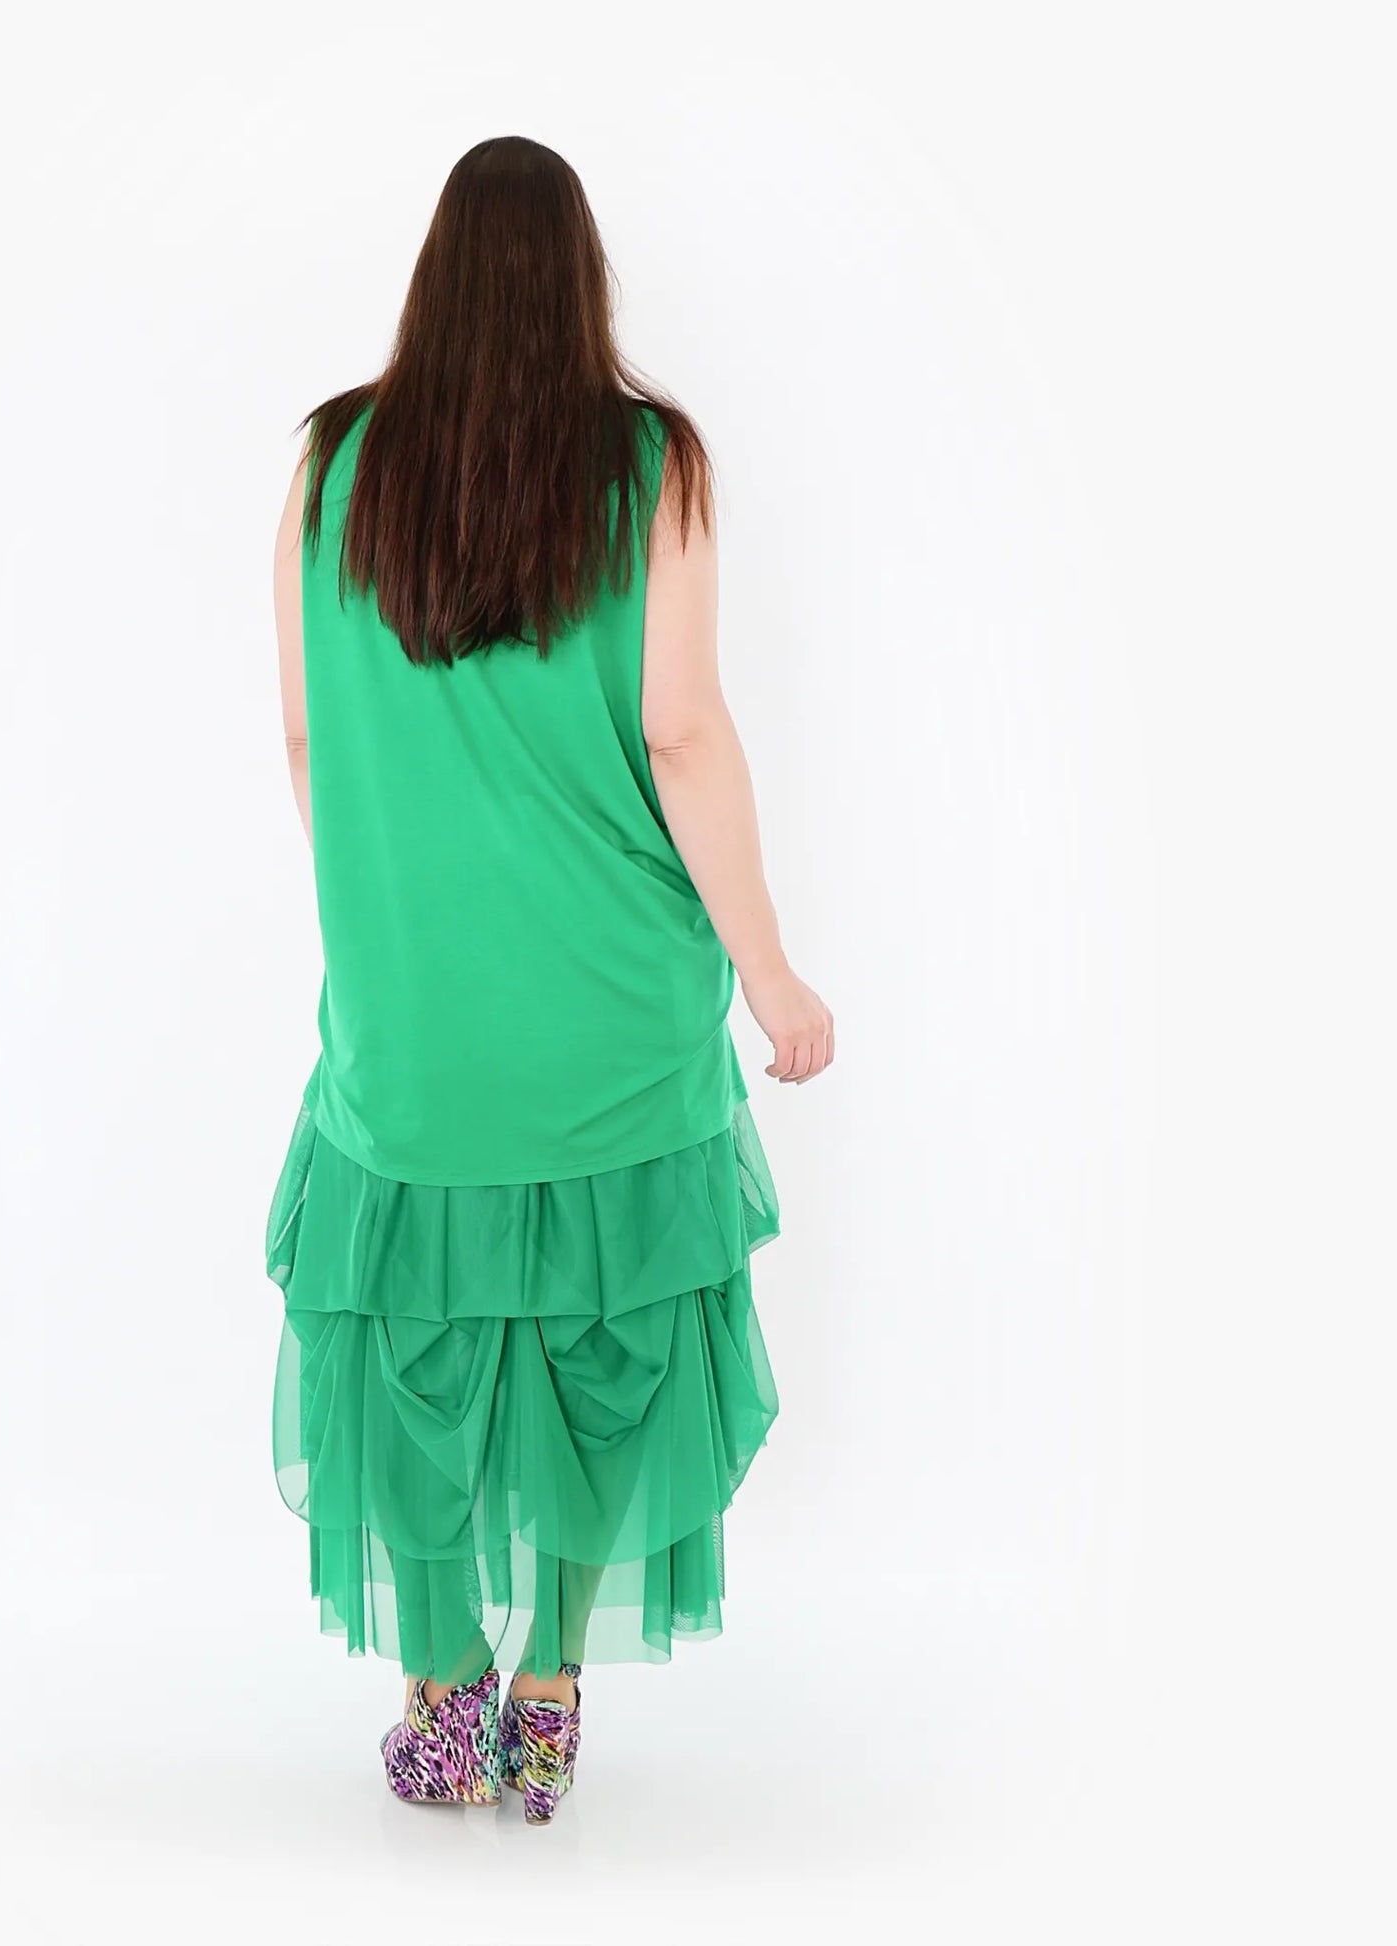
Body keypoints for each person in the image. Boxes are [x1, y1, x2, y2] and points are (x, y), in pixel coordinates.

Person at [265, 135, 833, 1825]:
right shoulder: (649, 464)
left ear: (432, 278)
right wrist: (768, 970)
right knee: (606, 1342)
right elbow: (680, 729)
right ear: (581, 283)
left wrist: (395, 914)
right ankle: (550, 1694)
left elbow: (305, 734)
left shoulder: (335, 464)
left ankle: (442, 1693)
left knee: (413, 1347)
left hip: (411, 1016)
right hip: (612, 1004)